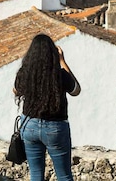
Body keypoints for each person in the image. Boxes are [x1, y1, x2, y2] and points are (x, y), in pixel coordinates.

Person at [14, 34, 80, 181]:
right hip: (55, 128)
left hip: (29, 126)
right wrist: (62, 61)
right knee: (64, 176)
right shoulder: (59, 74)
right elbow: (76, 90)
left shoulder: (26, 73)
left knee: (36, 175)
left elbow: (16, 90)